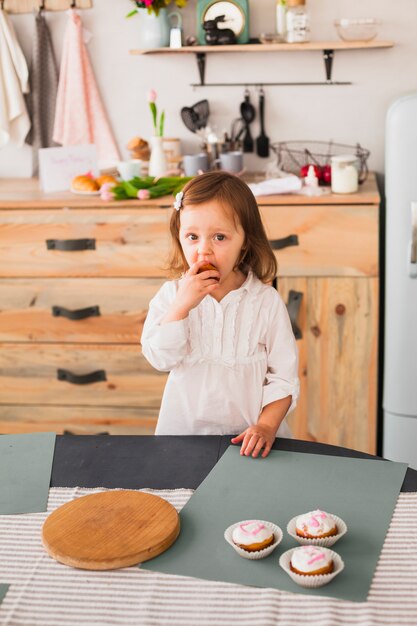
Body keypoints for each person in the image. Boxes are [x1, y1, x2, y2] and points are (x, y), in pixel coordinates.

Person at [141, 171, 299, 458]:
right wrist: (181, 307)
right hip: (183, 439)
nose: (204, 250)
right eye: (192, 236)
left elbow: (284, 379)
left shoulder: (265, 302)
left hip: (251, 444)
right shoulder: (171, 296)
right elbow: (160, 358)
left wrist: (265, 426)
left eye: (219, 237)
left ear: (245, 242)